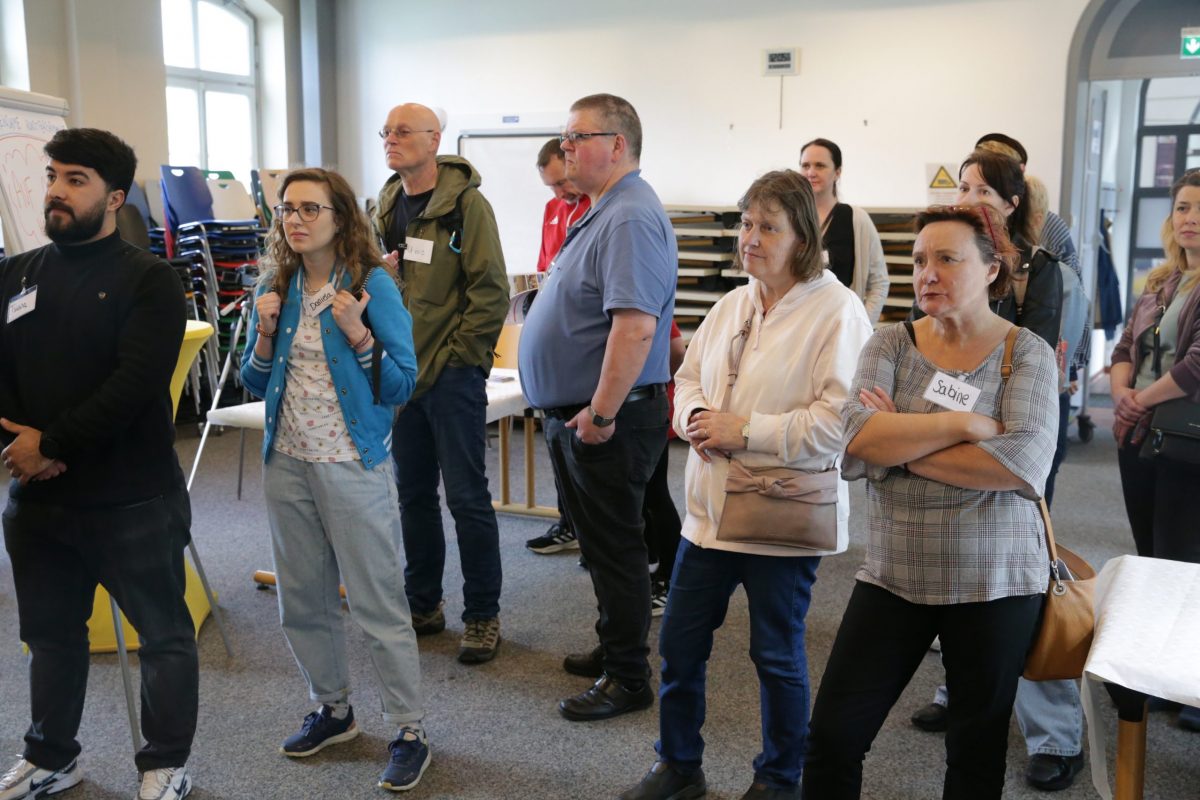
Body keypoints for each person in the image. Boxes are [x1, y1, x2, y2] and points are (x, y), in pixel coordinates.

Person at [620, 170, 870, 800]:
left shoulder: (837, 310)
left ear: (802, 237)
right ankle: (679, 765)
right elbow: (688, 379)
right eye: (746, 224)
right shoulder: (734, 302)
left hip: (779, 515)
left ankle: (778, 779)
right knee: (679, 645)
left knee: (776, 656)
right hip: (708, 515)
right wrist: (694, 418)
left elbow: (839, 424)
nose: (750, 239)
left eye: (768, 228)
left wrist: (745, 431)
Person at [803, 204, 1059, 799]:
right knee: (833, 736)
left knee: (975, 753)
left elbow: (1020, 464)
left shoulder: (1026, 353)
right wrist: (966, 426)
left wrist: (901, 445)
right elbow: (857, 441)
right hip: (895, 574)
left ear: (992, 270)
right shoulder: (890, 343)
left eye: (947, 258)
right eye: (919, 260)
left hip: (994, 580)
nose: (928, 273)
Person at [0, 128, 198, 800]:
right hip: (39, 501)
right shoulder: (17, 274)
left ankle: (165, 763)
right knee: (51, 637)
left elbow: (132, 387)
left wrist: (50, 445)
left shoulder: (150, 280)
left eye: (76, 179)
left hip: (131, 500)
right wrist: (22, 449)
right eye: (53, 176)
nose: (56, 191)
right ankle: (51, 756)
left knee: (163, 637)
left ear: (114, 197)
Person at [241, 167, 429, 792]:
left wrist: (359, 335)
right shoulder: (277, 283)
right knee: (301, 600)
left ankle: (408, 729)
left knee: (377, 602)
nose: (295, 220)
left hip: (352, 463)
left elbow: (403, 384)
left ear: (341, 217)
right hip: (287, 463)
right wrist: (265, 332)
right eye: (287, 209)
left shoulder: (372, 285)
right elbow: (253, 379)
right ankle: (334, 709)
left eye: (310, 209)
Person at [908, 151, 1087, 792]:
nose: (968, 196)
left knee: (1024, 577)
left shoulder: (1044, 273)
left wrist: (915, 434)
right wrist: (948, 421)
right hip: (958, 434)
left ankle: (1056, 737)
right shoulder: (946, 262)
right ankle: (959, 690)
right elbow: (923, 370)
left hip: (1021, 444)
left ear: (1014, 203)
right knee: (956, 566)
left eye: (983, 189)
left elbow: (1029, 368)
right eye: (963, 185)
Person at [518, 93, 676, 721]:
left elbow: (634, 327)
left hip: (608, 417)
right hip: (586, 412)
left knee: (615, 548)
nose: (566, 149)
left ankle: (629, 678)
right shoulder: (600, 210)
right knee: (602, 547)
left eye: (576, 137)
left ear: (617, 144)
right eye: (565, 138)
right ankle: (616, 649)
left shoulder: (629, 214)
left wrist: (603, 414)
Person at [373, 102, 510, 664]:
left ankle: (482, 616)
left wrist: (462, 361)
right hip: (401, 376)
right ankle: (423, 604)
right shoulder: (386, 203)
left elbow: (491, 290)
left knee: (467, 498)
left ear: (434, 140)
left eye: (403, 131)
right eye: (386, 132)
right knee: (412, 497)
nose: (391, 139)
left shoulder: (467, 206)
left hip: (451, 378)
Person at [1110, 169, 1200, 732]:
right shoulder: (1160, 281)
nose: (1190, 218)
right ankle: (1166, 674)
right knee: (1154, 557)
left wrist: (1137, 399)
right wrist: (1122, 394)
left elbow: (1197, 366)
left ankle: (1194, 682)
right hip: (1139, 434)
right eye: (1184, 207)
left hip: (1187, 438)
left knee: (1187, 560)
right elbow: (1125, 345)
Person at [526, 137, 592, 555]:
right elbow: (543, 268)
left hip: (582, 343)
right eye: (550, 185)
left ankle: (591, 532)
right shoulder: (553, 210)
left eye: (561, 181)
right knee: (555, 440)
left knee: (582, 449)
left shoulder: (595, 208)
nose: (559, 191)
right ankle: (568, 522)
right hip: (554, 342)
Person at [799, 137, 890, 321]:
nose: (811, 172)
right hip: (798, 324)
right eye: (805, 165)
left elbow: (879, 283)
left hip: (841, 325)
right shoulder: (790, 218)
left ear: (837, 172)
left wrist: (861, 325)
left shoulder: (857, 219)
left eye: (820, 166)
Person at [974, 132, 1080, 279]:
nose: (973, 197)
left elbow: (1072, 283)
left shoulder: (1050, 225)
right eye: (965, 188)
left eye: (985, 189)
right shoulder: (964, 223)